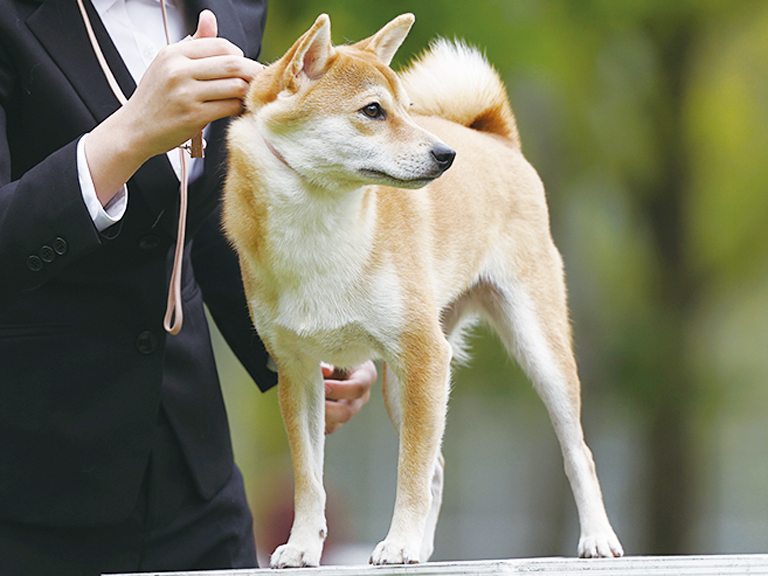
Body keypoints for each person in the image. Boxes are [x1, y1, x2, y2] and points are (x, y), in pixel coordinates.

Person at [0, 0, 376, 573]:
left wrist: (300, 347)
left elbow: (214, 216)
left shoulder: (236, 9)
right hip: (27, 487)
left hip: (198, 484)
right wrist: (129, 134)